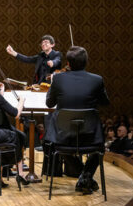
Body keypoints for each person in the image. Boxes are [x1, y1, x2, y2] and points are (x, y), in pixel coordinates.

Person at [44, 45, 110, 194]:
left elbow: (49, 103)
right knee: (100, 148)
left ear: (68, 63)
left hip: (64, 137)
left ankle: (83, 176)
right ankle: (86, 177)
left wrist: (53, 83)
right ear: (86, 62)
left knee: (58, 145)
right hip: (90, 136)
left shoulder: (58, 79)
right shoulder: (97, 80)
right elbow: (105, 103)